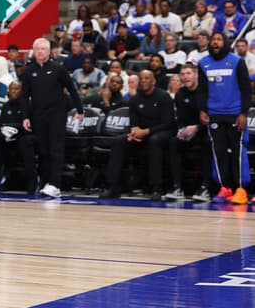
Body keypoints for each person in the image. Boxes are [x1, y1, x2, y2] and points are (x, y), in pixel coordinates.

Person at [21, 38, 84, 199]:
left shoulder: (58, 69)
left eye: (43, 49)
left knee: (56, 149)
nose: (40, 51)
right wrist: (25, 116)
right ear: (33, 51)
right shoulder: (28, 71)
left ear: (49, 52)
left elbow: (72, 89)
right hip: (38, 115)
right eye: (37, 49)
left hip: (57, 114)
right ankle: (45, 182)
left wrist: (80, 110)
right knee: (43, 150)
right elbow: (24, 96)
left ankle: (55, 184)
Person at [100, 70, 175, 200]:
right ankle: (113, 187)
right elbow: (133, 123)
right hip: (141, 133)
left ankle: (156, 188)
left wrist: (146, 132)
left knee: (154, 140)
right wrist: (134, 133)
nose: (144, 80)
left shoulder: (164, 96)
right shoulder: (135, 99)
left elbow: (168, 123)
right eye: (141, 78)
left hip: (163, 132)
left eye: (147, 78)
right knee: (119, 141)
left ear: (154, 81)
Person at [197, 32, 251, 205]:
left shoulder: (236, 61)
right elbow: (202, 90)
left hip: (235, 114)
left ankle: (241, 189)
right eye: (213, 40)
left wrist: (243, 113)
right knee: (218, 152)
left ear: (225, 42)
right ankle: (225, 188)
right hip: (214, 114)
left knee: (237, 152)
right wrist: (202, 110)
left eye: (219, 40)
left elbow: (246, 90)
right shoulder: (203, 63)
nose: (215, 43)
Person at [164, 64, 212, 202]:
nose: (185, 77)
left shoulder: (206, 92)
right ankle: (177, 187)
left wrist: (196, 128)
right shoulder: (180, 94)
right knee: (174, 142)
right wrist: (181, 129)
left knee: (207, 143)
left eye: (188, 73)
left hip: (205, 130)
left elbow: (212, 117)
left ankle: (206, 187)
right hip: (188, 133)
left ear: (196, 74)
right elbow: (179, 118)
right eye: (183, 74)